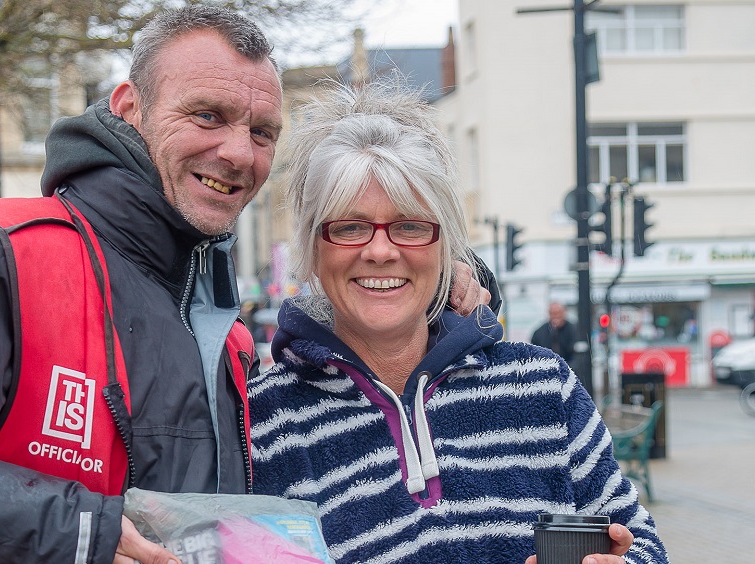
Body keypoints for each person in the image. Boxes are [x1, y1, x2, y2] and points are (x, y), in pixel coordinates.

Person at [0, 7, 496, 564]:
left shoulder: (222, 329)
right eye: (206, 115)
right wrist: (85, 530)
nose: (236, 151)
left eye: (262, 130)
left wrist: (439, 281)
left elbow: (355, 299)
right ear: (128, 108)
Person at [247, 80, 666, 563]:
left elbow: (642, 541)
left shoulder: (543, 386)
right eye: (349, 227)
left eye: (410, 226)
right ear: (312, 252)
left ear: (446, 248)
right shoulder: (263, 420)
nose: (381, 251)